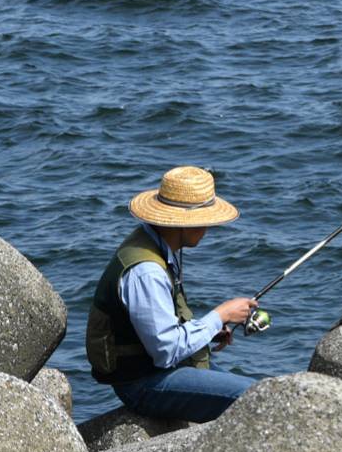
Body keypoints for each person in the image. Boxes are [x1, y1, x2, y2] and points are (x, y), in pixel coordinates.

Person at [86, 166, 259, 422]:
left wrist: (211, 331)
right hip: (142, 383)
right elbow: (165, 351)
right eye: (205, 222)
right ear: (183, 224)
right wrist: (219, 315)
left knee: (262, 391)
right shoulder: (147, 271)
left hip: (155, 369)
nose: (208, 229)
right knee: (257, 400)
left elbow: (159, 330)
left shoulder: (152, 243)